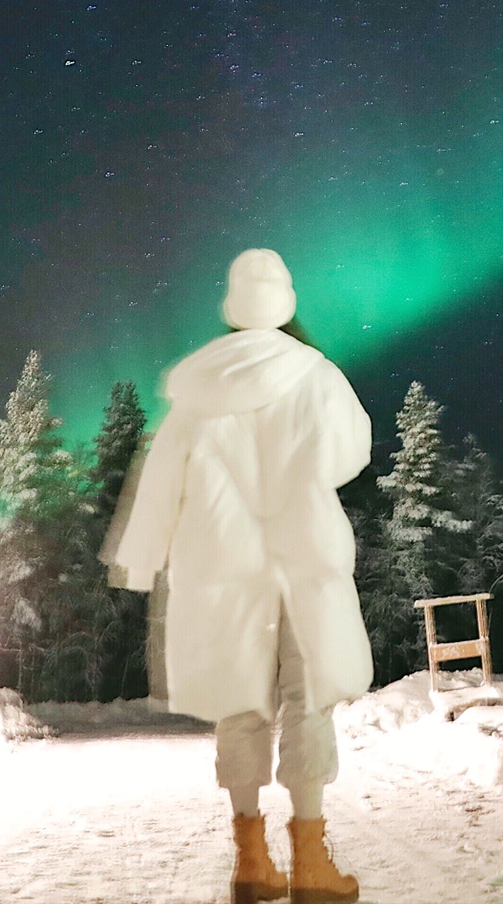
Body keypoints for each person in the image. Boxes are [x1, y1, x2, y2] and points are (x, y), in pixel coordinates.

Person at [103, 248, 372, 904]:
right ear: (284, 302)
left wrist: (141, 560)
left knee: (240, 704)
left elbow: (161, 477)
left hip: (220, 568)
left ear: (231, 306)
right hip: (300, 561)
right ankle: (311, 861)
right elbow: (349, 455)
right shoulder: (318, 375)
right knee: (307, 701)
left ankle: (251, 860)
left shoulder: (198, 389)